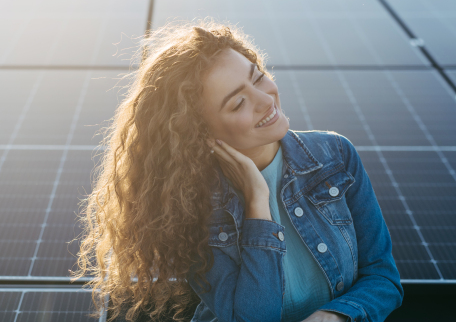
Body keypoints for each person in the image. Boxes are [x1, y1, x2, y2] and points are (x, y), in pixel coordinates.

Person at [73, 19, 404, 322]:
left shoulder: (335, 155)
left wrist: (334, 317)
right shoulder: (191, 205)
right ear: (201, 133)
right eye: (237, 103)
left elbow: (382, 277)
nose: (264, 100)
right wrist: (257, 202)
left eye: (258, 77)